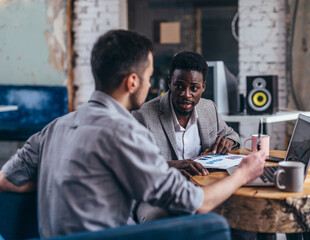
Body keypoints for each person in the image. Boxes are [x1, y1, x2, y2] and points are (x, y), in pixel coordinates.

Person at [0, 30, 266, 239]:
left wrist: (66, 178)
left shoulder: (54, 127)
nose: (152, 85)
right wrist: (245, 171)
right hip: (116, 236)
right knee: (214, 225)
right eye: (150, 77)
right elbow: (196, 204)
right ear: (132, 82)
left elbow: (5, 180)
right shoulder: (126, 132)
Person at [132, 51, 240, 179]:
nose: (186, 94)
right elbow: (133, 165)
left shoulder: (208, 107)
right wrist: (170, 166)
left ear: (203, 87)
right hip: (168, 190)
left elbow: (232, 135)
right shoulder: (143, 116)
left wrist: (228, 141)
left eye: (194, 88)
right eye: (179, 86)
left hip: (206, 184)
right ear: (169, 83)